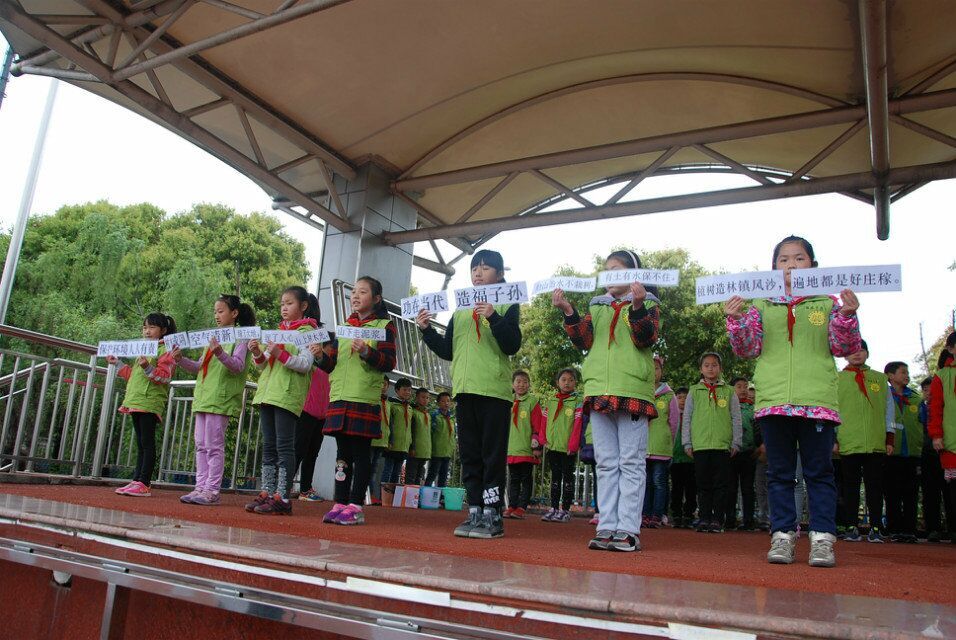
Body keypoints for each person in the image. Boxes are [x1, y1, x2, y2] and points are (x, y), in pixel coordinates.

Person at [726, 235, 861, 568]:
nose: (791, 265)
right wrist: (736, 319)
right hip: (774, 401)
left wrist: (847, 314)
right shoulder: (760, 305)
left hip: (817, 401)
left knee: (819, 473)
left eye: (799, 258)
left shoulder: (827, 302)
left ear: (812, 265)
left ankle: (822, 539)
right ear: (774, 267)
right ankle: (783, 536)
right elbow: (746, 349)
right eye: (783, 259)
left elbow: (843, 347)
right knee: (780, 474)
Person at [553, 249, 660, 553]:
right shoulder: (597, 305)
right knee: (606, 463)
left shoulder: (649, 303)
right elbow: (583, 340)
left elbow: (646, 337)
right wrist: (568, 310)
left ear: (633, 275)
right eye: (607, 270)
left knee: (631, 462)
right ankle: (606, 526)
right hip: (599, 391)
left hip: (632, 391)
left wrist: (637, 305)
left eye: (617, 270)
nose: (610, 275)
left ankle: (628, 529)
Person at [417, 249, 522, 539]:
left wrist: (493, 316)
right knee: (470, 455)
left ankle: (493, 513)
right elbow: (447, 350)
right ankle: (474, 509)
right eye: (475, 268)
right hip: (464, 391)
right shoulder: (461, 308)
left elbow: (512, 344)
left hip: (494, 392)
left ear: (499, 274)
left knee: (492, 456)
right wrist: (426, 330)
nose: (478, 272)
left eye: (486, 268)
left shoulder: (508, 301)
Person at [313, 276, 396, 525]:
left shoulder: (384, 326)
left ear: (376, 298)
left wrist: (367, 351)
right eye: (354, 292)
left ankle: (356, 505)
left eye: (363, 292)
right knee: (342, 455)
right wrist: (319, 357)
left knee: (361, 455)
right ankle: (340, 502)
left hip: (363, 398)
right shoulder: (344, 327)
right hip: (340, 397)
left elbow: (389, 362)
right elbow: (332, 364)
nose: (356, 296)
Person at [174, 295, 255, 506]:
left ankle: (212, 490)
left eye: (221, 311)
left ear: (234, 313)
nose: (217, 316)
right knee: (201, 445)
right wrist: (180, 360)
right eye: (215, 312)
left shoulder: (241, 338)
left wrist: (219, 352)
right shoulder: (214, 338)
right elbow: (199, 366)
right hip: (204, 397)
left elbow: (238, 366)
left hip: (220, 399)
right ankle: (200, 487)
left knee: (213, 446)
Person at [245, 287, 319, 516]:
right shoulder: (278, 332)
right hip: (268, 394)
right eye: (282, 304)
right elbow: (262, 365)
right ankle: (268, 492)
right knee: (269, 446)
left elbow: (305, 364)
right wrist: (256, 352)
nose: (284, 308)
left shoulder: (309, 332)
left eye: (289, 303)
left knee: (285, 447)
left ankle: (283, 497)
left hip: (286, 395)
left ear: (303, 306)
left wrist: (279, 353)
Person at [110, 313, 178, 498]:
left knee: (147, 443)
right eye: (145, 327)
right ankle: (137, 480)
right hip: (136, 401)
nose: (147, 331)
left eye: (152, 327)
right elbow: (134, 376)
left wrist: (148, 366)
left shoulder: (166, 350)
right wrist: (118, 364)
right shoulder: (144, 349)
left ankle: (144, 482)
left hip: (150, 402)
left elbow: (164, 377)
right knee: (141, 443)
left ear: (163, 330)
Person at [836, 340, 894, 543]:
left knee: (875, 486)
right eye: (852, 350)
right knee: (849, 487)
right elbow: (832, 410)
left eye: (861, 350)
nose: (857, 354)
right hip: (848, 441)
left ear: (867, 353)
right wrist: (833, 438)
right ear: (845, 354)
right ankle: (851, 526)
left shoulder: (880, 379)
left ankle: (876, 527)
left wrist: (889, 438)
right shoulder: (837, 379)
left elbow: (889, 410)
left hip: (876, 442)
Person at [681, 353, 742, 533]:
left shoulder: (729, 391)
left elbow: (736, 417)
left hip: (722, 446)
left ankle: (717, 519)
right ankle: (704, 517)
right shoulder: (694, 391)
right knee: (703, 484)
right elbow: (687, 418)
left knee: (721, 485)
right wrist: (687, 442)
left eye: (714, 365)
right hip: (700, 445)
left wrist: (736, 442)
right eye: (706, 365)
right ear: (701, 369)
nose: (710, 368)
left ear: (720, 368)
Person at [884, 361, 922, 543]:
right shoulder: (884, 396)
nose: (906, 376)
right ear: (890, 376)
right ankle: (894, 528)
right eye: (902, 372)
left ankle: (910, 529)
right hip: (892, 452)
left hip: (912, 453)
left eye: (907, 372)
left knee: (911, 492)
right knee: (892, 492)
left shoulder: (916, 398)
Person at [541, 368, 583, 523]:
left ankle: (565, 509)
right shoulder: (552, 401)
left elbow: (578, 424)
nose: (567, 383)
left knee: (568, 478)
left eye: (571, 380)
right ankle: (553, 508)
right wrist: (543, 438)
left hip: (567, 448)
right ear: (557, 383)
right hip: (553, 446)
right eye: (563, 380)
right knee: (555, 478)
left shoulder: (577, 402)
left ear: (575, 383)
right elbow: (544, 421)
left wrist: (573, 444)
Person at [642, 356, 678, 529]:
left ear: (661, 371)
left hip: (661, 448)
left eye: (656, 368)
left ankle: (657, 515)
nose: (653, 372)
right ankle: (644, 514)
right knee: (645, 483)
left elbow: (674, 422)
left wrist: (668, 441)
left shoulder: (669, 396)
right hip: (643, 447)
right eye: (650, 368)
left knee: (659, 482)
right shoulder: (641, 393)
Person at [504, 371, 544, 519]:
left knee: (526, 479)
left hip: (526, 448)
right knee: (513, 479)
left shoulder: (532, 401)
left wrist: (537, 446)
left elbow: (538, 424)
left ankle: (522, 507)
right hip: (511, 447)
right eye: (518, 381)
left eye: (525, 382)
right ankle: (512, 506)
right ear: (513, 384)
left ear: (529, 385)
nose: (521, 385)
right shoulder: (508, 401)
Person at [928, 331, 956, 544]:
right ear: (950, 349)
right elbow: (935, 407)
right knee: (953, 489)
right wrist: (936, 435)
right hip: (951, 440)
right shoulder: (942, 376)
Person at [919, 376, 949, 542]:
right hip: (927, 455)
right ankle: (933, 528)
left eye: (931, 389)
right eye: (925, 389)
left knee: (949, 493)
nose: (928, 392)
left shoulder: (947, 408)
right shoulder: (919, 408)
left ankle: (952, 528)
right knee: (930, 493)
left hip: (946, 453)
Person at [725, 376, 757, 530]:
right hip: (731, 452)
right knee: (730, 487)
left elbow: (758, 429)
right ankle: (729, 519)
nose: (743, 389)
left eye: (745, 386)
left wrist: (759, 446)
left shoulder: (753, 408)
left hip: (749, 452)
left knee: (748, 488)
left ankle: (749, 520)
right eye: (739, 386)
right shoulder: (726, 407)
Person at [670, 387, 696, 528]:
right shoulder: (672, 416)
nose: (682, 400)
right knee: (676, 488)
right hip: (676, 458)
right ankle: (676, 514)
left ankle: (689, 514)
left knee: (691, 488)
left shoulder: (693, 416)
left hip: (691, 459)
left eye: (685, 398)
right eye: (679, 397)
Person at [382, 378, 413, 484]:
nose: (407, 392)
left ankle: (392, 493)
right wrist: (389, 441)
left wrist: (409, 444)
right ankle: (383, 493)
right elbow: (388, 424)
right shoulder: (391, 404)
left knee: (397, 473)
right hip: (392, 444)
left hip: (403, 446)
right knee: (388, 471)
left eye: (409, 390)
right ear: (396, 390)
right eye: (404, 389)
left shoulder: (409, 407)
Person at [368, 376, 391, 505]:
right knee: (367, 468)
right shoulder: (371, 399)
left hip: (382, 440)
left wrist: (389, 440)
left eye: (385, 384)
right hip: (371, 439)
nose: (382, 386)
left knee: (374, 469)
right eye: (380, 383)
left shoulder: (388, 403)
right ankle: (367, 494)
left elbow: (389, 424)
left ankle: (371, 495)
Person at [425, 392, 455, 488]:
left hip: (447, 452)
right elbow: (429, 433)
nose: (446, 403)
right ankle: (425, 493)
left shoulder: (451, 418)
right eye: (443, 401)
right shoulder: (434, 416)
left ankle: (441, 495)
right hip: (436, 452)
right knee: (432, 474)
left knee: (443, 477)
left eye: (448, 401)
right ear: (438, 403)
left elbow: (452, 435)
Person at [405, 387, 433, 485]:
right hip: (414, 450)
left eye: (427, 398)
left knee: (419, 476)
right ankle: (408, 494)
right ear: (417, 398)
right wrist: (411, 447)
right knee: (411, 476)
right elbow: (411, 431)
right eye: (423, 397)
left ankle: (416, 494)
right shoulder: (412, 412)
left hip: (424, 451)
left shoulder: (427, 414)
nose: (425, 400)